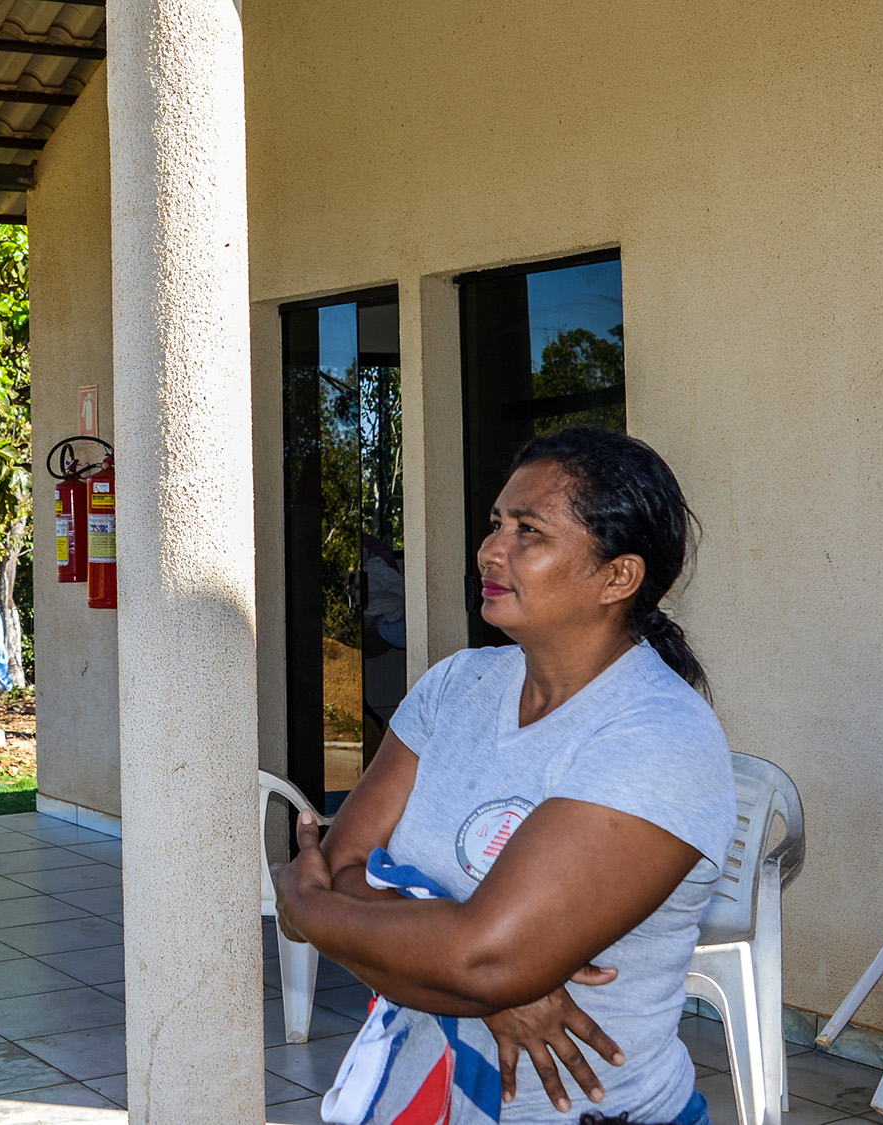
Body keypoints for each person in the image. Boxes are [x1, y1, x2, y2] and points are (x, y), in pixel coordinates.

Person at [276, 426, 736, 1125]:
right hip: (416, 1100)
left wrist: (310, 909)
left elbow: (478, 956)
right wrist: (477, 977)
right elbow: (349, 868)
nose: (491, 549)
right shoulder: (456, 685)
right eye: (497, 523)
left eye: (529, 531)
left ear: (619, 576)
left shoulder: (657, 736)